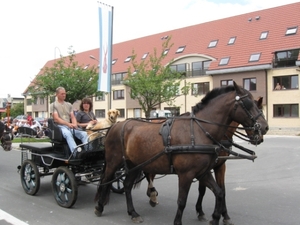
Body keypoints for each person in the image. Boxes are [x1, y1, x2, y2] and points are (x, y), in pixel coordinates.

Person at [49, 87, 88, 154]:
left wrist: (75, 124)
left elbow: (72, 117)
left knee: (84, 134)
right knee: (68, 134)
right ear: (57, 94)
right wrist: (68, 124)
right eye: (62, 94)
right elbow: (56, 119)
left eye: (65, 94)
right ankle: (75, 152)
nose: (64, 95)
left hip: (69, 126)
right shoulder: (53, 105)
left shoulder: (69, 105)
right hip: (60, 127)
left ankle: (87, 151)